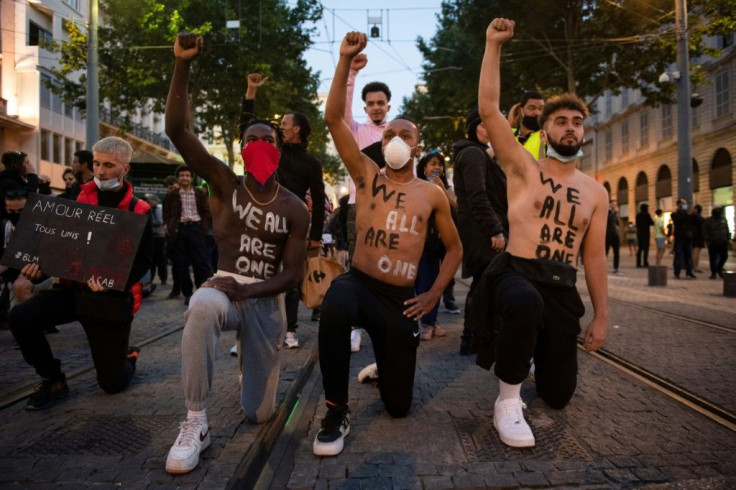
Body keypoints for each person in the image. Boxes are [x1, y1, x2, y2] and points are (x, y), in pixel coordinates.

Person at [163, 33, 309, 475]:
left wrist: (250, 293)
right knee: (202, 305)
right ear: (241, 146)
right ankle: (195, 421)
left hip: (266, 300)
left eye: (268, 138)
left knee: (259, 414)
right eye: (251, 137)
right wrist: (182, 64)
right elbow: (177, 130)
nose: (260, 143)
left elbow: (293, 276)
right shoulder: (224, 183)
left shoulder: (293, 207)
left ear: (278, 148)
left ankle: (253, 364)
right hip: (225, 287)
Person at [313, 31, 462, 457]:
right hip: (359, 283)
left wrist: (432, 294)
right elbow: (333, 120)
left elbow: (455, 249)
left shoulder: (432, 193)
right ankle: (335, 410)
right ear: (380, 143)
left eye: (406, 134)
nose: (397, 139)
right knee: (336, 304)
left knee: (399, 407)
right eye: (390, 134)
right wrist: (343, 61)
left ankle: (387, 359)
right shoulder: (366, 175)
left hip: (400, 299)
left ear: (417, 144)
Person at [477, 17, 608, 448]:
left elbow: (593, 258)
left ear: (583, 130)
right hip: (517, 271)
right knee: (524, 301)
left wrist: (601, 316)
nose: (570, 127)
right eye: (561, 121)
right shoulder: (522, 166)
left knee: (557, 396)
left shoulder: (595, 192)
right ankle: (508, 400)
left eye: (576, 121)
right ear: (546, 129)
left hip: (561, 286)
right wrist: (493, 45)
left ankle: (533, 352)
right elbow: (489, 109)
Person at [8, 136, 153, 411]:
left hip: (107, 301)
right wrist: (38, 270)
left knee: (112, 384)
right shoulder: (75, 198)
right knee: (20, 317)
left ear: (125, 169)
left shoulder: (139, 210)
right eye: (97, 163)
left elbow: (144, 262)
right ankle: (53, 379)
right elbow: (55, 247)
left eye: (109, 165)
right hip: (70, 291)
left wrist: (112, 283)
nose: (100, 171)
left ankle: (128, 356)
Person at [240, 73, 327, 349]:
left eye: (285, 123)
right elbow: (246, 126)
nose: (279, 126)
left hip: (293, 224)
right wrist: (251, 91)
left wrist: (315, 236)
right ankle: (248, 331)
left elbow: (321, 195)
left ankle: (289, 329)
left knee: (290, 278)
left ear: (297, 129)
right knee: (256, 274)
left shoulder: (311, 162)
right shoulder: (270, 150)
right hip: (261, 218)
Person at [343, 53, 393, 353]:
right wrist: (351, 72)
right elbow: (341, 110)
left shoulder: (399, 133)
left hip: (391, 209)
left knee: (388, 267)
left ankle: (384, 321)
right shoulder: (356, 131)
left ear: (388, 105)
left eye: (380, 103)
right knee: (358, 266)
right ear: (365, 107)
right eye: (371, 103)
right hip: (358, 207)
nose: (376, 107)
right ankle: (356, 326)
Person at [452, 108, 508, 356]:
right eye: (483, 125)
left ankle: (474, 338)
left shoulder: (478, 153)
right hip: (481, 232)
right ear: (473, 127)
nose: (489, 129)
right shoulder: (473, 153)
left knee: (483, 284)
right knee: (485, 284)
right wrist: (495, 230)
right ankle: (473, 339)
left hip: (479, 230)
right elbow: (477, 196)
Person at [415, 151, 457, 340]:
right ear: (424, 168)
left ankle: (433, 321)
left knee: (440, 283)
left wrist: (441, 190)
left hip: (441, 243)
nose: (437, 168)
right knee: (424, 282)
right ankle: (426, 323)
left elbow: (457, 209)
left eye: (440, 164)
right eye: (432, 164)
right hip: (422, 243)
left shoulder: (447, 188)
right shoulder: (417, 187)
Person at [163, 165, 214, 305]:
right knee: (181, 264)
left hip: (196, 230)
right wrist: (169, 226)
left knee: (200, 263)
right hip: (179, 231)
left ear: (191, 178)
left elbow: (207, 212)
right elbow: (167, 214)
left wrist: (204, 228)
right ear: (178, 178)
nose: (184, 178)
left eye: (187, 175)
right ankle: (187, 293)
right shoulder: (172, 195)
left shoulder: (200, 194)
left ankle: (200, 291)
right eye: (182, 175)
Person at [507, 91, 545, 159]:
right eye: (532, 108)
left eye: (541, 109)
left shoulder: (546, 136)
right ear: (520, 110)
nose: (538, 113)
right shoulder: (509, 133)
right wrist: (508, 125)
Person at [0, 151, 39, 218]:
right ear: (17, 165)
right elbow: (26, 200)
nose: (30, 166)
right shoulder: (8, 182)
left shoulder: (16, 181)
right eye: (27, 163)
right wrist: (32, 176)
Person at [671, 198, 696, 279]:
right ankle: (677, 272)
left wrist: (693, 214)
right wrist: (686, 214)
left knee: (688, 256)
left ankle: (689, 272)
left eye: (684, 204)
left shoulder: (689, 214)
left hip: (688, 238)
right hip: (679, 238)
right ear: (678, 205)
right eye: (682, 204)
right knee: (678, 255)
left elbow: (694, 223)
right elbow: (678, 221)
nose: (683, 206)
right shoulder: (674, 214)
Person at [703, 206, 730, 279]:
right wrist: (707, 240)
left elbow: (726, 229)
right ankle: (713, 273)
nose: (719, 211)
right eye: (717, 209)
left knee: (724, 256)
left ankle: (719, 268)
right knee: (713, 258)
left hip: (723, 241)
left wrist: (728, 238)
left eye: (720, 209)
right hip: (713, 242)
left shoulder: (723, 219)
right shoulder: (709, 220)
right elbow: (705, 231)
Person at [605, 201, 622, 275]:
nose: (615, 205)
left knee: (617, 253)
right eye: (613, 204)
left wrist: (617, 226)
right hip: (607, 235)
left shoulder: (615, 213)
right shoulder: (606, 211)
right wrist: (615, 213)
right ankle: (602, 268)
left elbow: (617, 223)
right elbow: (609, 220)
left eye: (616, 204)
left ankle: (616, 268)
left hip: (615, 235)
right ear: (609, 204)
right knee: (605, 252)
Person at [692, 204, 705, 273]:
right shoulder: (701, 218)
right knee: (697, 253)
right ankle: (695, 267)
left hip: (695, 236)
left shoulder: (694, 217)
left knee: (695, 252)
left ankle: (695, 266)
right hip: (699, 237)